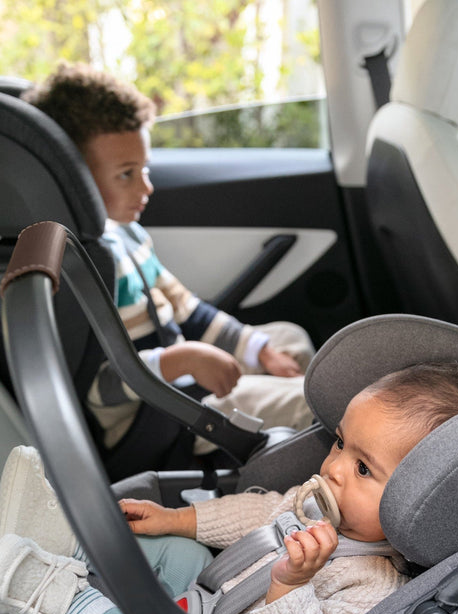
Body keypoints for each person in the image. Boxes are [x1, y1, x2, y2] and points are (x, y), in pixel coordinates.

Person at [0, 362, 458, 614]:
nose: (334, 468)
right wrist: (178, 520)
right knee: (175, 548)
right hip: (214, 597)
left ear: (420, 505)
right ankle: (66, 539)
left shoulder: (375, 586)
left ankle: (54, 597)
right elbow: (258, 514)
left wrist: (291, 585)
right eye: (339, 443)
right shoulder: (321, 503)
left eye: (362, 468)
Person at [22, 63, 316, 453]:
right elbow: (98, 389)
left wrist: (257, 349)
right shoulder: (73, 269)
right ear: (71, 180)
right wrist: (182, 361)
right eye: (126, 174)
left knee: (289, 340)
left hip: (177, 381)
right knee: (307, 402)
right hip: (153, 415)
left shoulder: (126, 233)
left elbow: (186, 309)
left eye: (144, 169)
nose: (146, 187)